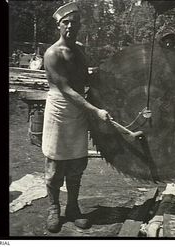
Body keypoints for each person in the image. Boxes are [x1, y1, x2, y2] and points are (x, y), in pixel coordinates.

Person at [42, 2, 110, 233]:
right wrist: (95, 110)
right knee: (54, 164)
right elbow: (65, 88)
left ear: (80, 26)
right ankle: (54, 210)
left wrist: (97, 75)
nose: (70, 26)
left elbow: (81, 81)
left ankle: (72, 208)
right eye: (66, 22)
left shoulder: (80, 50)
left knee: (77, 163)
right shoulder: (52, 53)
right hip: (59, 111)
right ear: (59, 26)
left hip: (79, 112)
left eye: (75, 23)